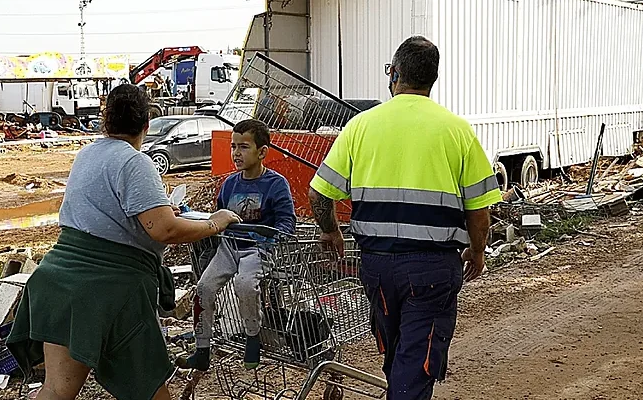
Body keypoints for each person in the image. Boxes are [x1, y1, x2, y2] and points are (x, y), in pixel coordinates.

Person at [5, 84, 242, 400]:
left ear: (105, 122)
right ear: (146, 125)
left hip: (58, 280)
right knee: (149, 390)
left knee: (56, 390)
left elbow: (105, 214)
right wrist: (216, 222)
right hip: (107, 292)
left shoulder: (87, 153)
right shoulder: (136, 162)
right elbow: (165, 231)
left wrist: (157, 213)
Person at [307, 36, 502, 400]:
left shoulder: (361, 126)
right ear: (433, 79)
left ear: (394, 73)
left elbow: (319, 193)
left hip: (377, 268)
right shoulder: (457, 130)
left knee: (397, 355)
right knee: (415, 364)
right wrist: (477, 251)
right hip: (432, 269)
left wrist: (331, 231)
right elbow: (479, 212)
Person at [176, 119, 296, 371]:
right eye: (233, 146)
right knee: (203, 288)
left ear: (262, 152)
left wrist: (272, 237)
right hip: (230, 246)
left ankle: (253, 337)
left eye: (243, 147)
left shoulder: (275, 184)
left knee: (244, 284)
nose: (236, 153)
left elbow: (287, 222)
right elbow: (220, 215)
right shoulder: (230, 184)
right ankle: (202, 349)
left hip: (259, 248)